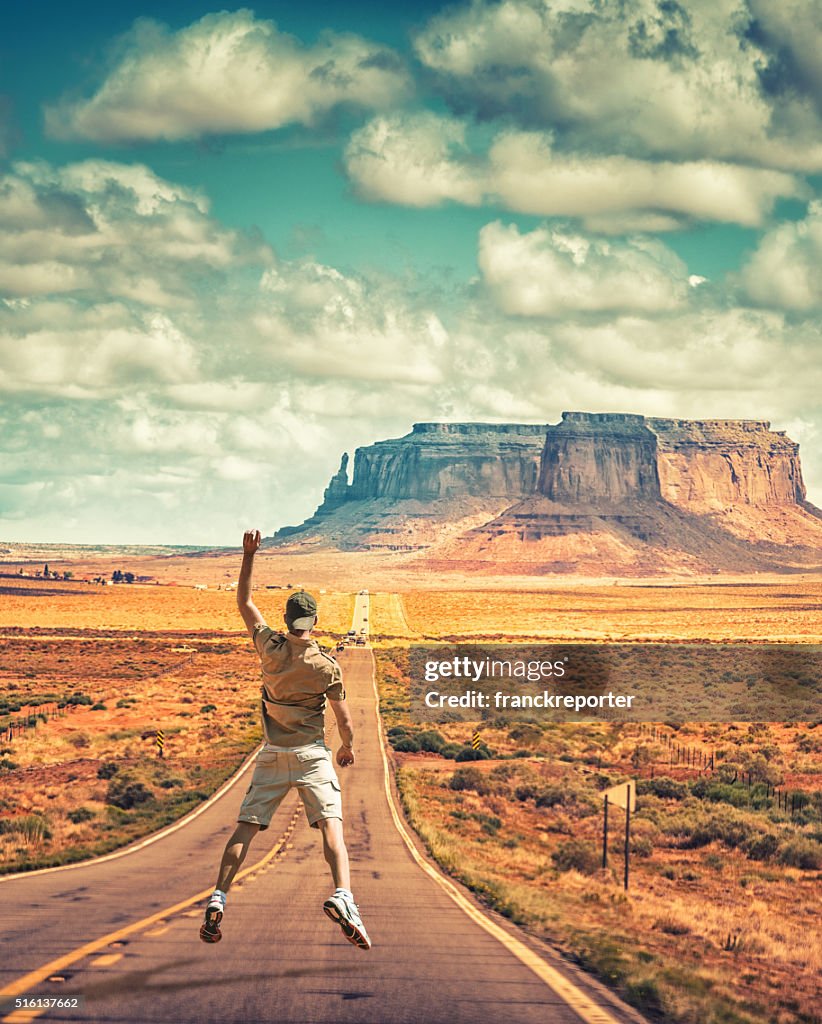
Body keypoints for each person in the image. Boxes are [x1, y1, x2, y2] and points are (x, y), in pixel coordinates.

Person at [199, 529, 371, 950]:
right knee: (331, 826)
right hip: (312, 755)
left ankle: (219, 895)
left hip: (272, 755)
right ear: (313, 621)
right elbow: (343, 719)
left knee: (246, 828)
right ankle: (342, 895)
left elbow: (244, 602)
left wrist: (248, 555)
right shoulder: (327, 667)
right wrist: (346, 747)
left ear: (287, 618)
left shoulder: (268, 647)